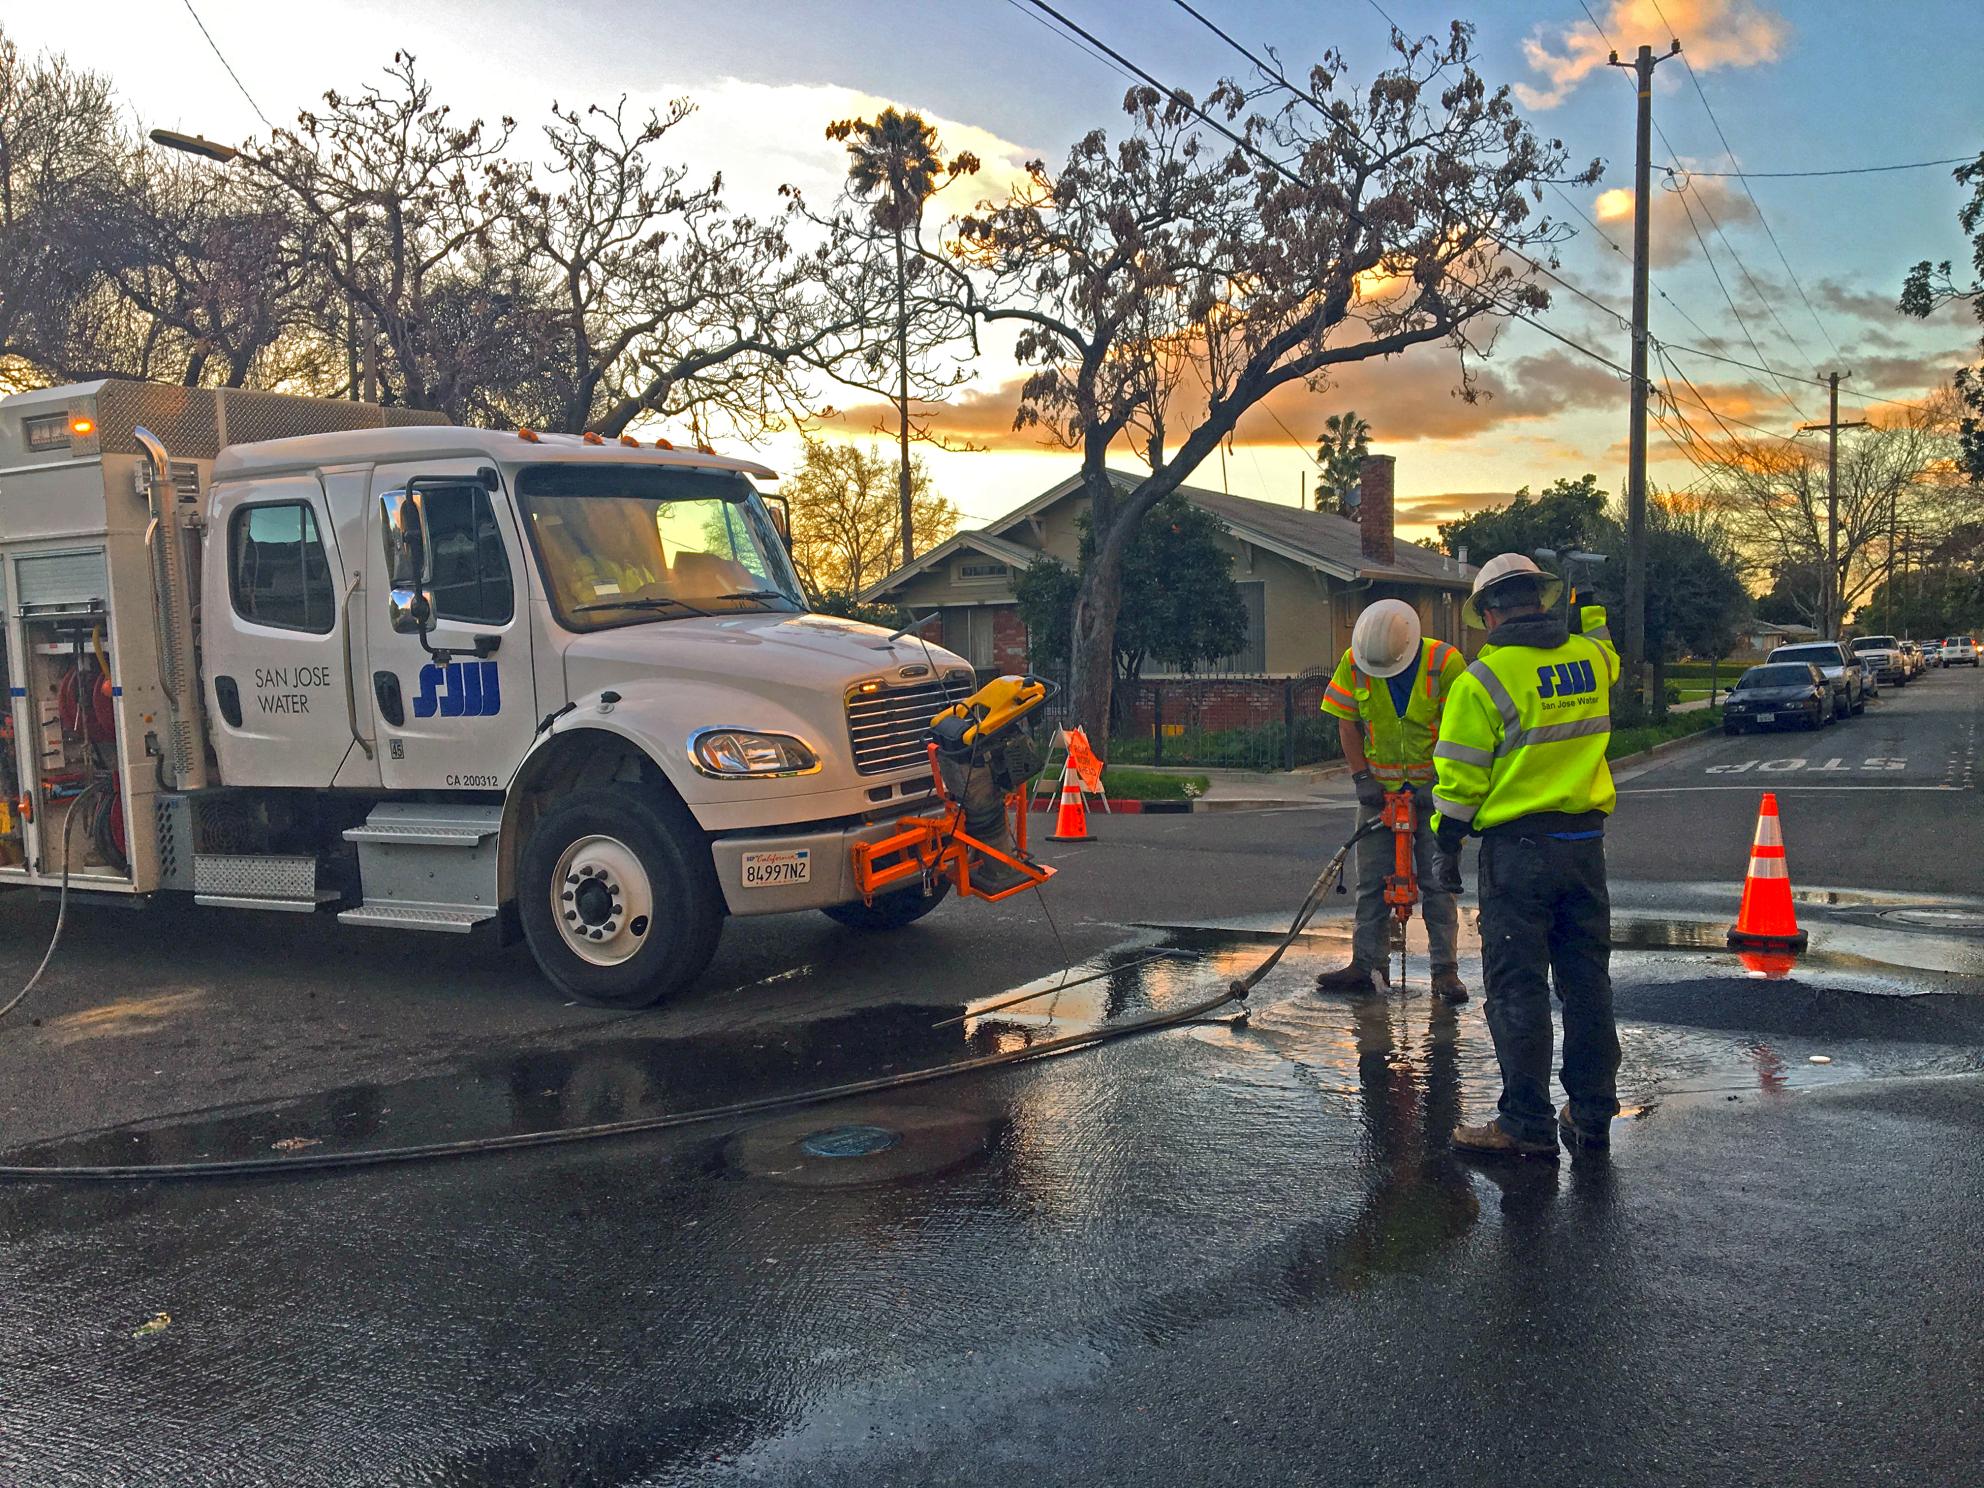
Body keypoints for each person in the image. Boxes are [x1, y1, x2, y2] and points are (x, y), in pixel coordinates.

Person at [1430, 554, 1621, 1159]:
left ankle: (1525, 1123)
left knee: (1518, 988)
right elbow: (1608, 653)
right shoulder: (1588, 659)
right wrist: (1591, 604)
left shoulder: (1481, 681)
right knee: (1587, 982)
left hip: (1518, 854)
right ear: (1540, 599)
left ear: (1487, 613)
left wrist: (1445, 846)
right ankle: (1591, 1114)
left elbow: (1459, 785)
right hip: (1584, 846)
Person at [1316, 598, 1468, 1003]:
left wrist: (1437, 783)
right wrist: (1361, 776)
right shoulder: (1355, 661)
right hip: (1378, 794)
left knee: (1437, 884)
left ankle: (1445, 973)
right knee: (1372, 883)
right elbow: (1346, 721)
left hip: (1432, 794)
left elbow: (1463, 729)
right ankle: (1366, 967)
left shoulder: (1445, 662)